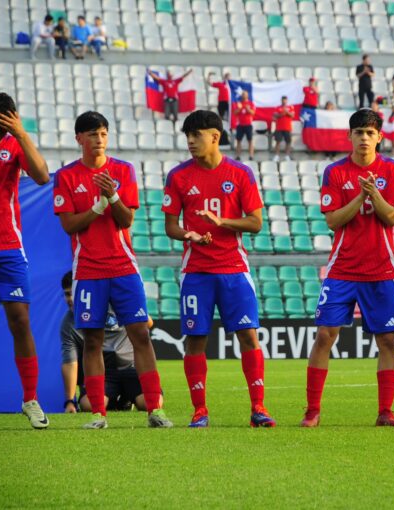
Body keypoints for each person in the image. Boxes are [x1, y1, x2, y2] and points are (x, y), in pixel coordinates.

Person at [53, 111, 172, 429]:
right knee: (92, 340)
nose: (99, 139)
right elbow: (69, 225)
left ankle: (155, 410)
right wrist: (96, 209)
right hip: (88, 270)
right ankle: (98, 415)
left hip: (123, 267)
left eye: (103, 133)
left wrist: (113, 196)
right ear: (79, 138)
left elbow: (126, 220)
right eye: (93, 134)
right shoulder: (66, 176)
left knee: (140, 335)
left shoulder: (123, 170)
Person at [162, 110, 274, 429]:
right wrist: (190, 235)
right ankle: (200, 410)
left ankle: (258, 408)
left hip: (234, 269)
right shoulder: (178, 176)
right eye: (187, 136)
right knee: (195, 340)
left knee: (248, 336)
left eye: (196, 135)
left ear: (215, 136)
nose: (190, 141)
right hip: (196, 271)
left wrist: (222, 221)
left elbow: (256, 222)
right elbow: (170, 226)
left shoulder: (240, 173)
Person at [301, 109, 394, 428]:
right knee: (324, 335)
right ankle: (312, 410)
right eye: (358, 132)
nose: (364, 138)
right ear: (349, 136)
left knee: (387, 340)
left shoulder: (393, 169)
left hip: (381, 269)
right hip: (342, 268)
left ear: (380, 137)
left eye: (370, 133)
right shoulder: (334, 172)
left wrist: (374, 194)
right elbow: (333, 220)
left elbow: (392, 217)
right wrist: (361, 196)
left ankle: (385, 411)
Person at [0, 92, 50, 429]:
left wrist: (22, 134)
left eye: (6, 122)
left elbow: (42, 176)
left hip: (8, 248)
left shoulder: (14, 145)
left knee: (20, 321)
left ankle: (30, 399)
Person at [59, 272, 158, 413]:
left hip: (131, 368)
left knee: (149, 404)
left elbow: (148, 323)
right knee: (88, 405)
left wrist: (127, 310)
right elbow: (70, 362)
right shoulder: (68, 324)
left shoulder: (114, 302)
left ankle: (126, 398)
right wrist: (69, 401)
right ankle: (116, 401)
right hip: (104, 373)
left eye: (73, 293)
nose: (70, 299)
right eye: (67, 294)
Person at [232, 91, 255, 161]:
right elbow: (234, 113)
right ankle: (238, 155)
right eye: (242, 94)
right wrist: (239, 108)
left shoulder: (251, 103)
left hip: (248, 124)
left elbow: (253, 113)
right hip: (240, 125)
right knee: (238, 140)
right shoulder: (239, 103)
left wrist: (248, 109)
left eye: (245, 94)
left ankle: (251, 155)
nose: (243, 95)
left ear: (247, 95)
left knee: (250, 140)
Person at [272, 96, 294, 162]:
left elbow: (292, 115)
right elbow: (275, 116)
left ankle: (287, 156)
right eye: (283, 100)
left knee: (288, 142)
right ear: (281, 100)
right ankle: (277, 156)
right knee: (278, 142)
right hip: (279, 128)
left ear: (287, 101)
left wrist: (286, 112)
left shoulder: (290, 107)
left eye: (285, 100)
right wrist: (282, 114)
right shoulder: (277, 107)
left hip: (287, 127)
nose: (284, 101)